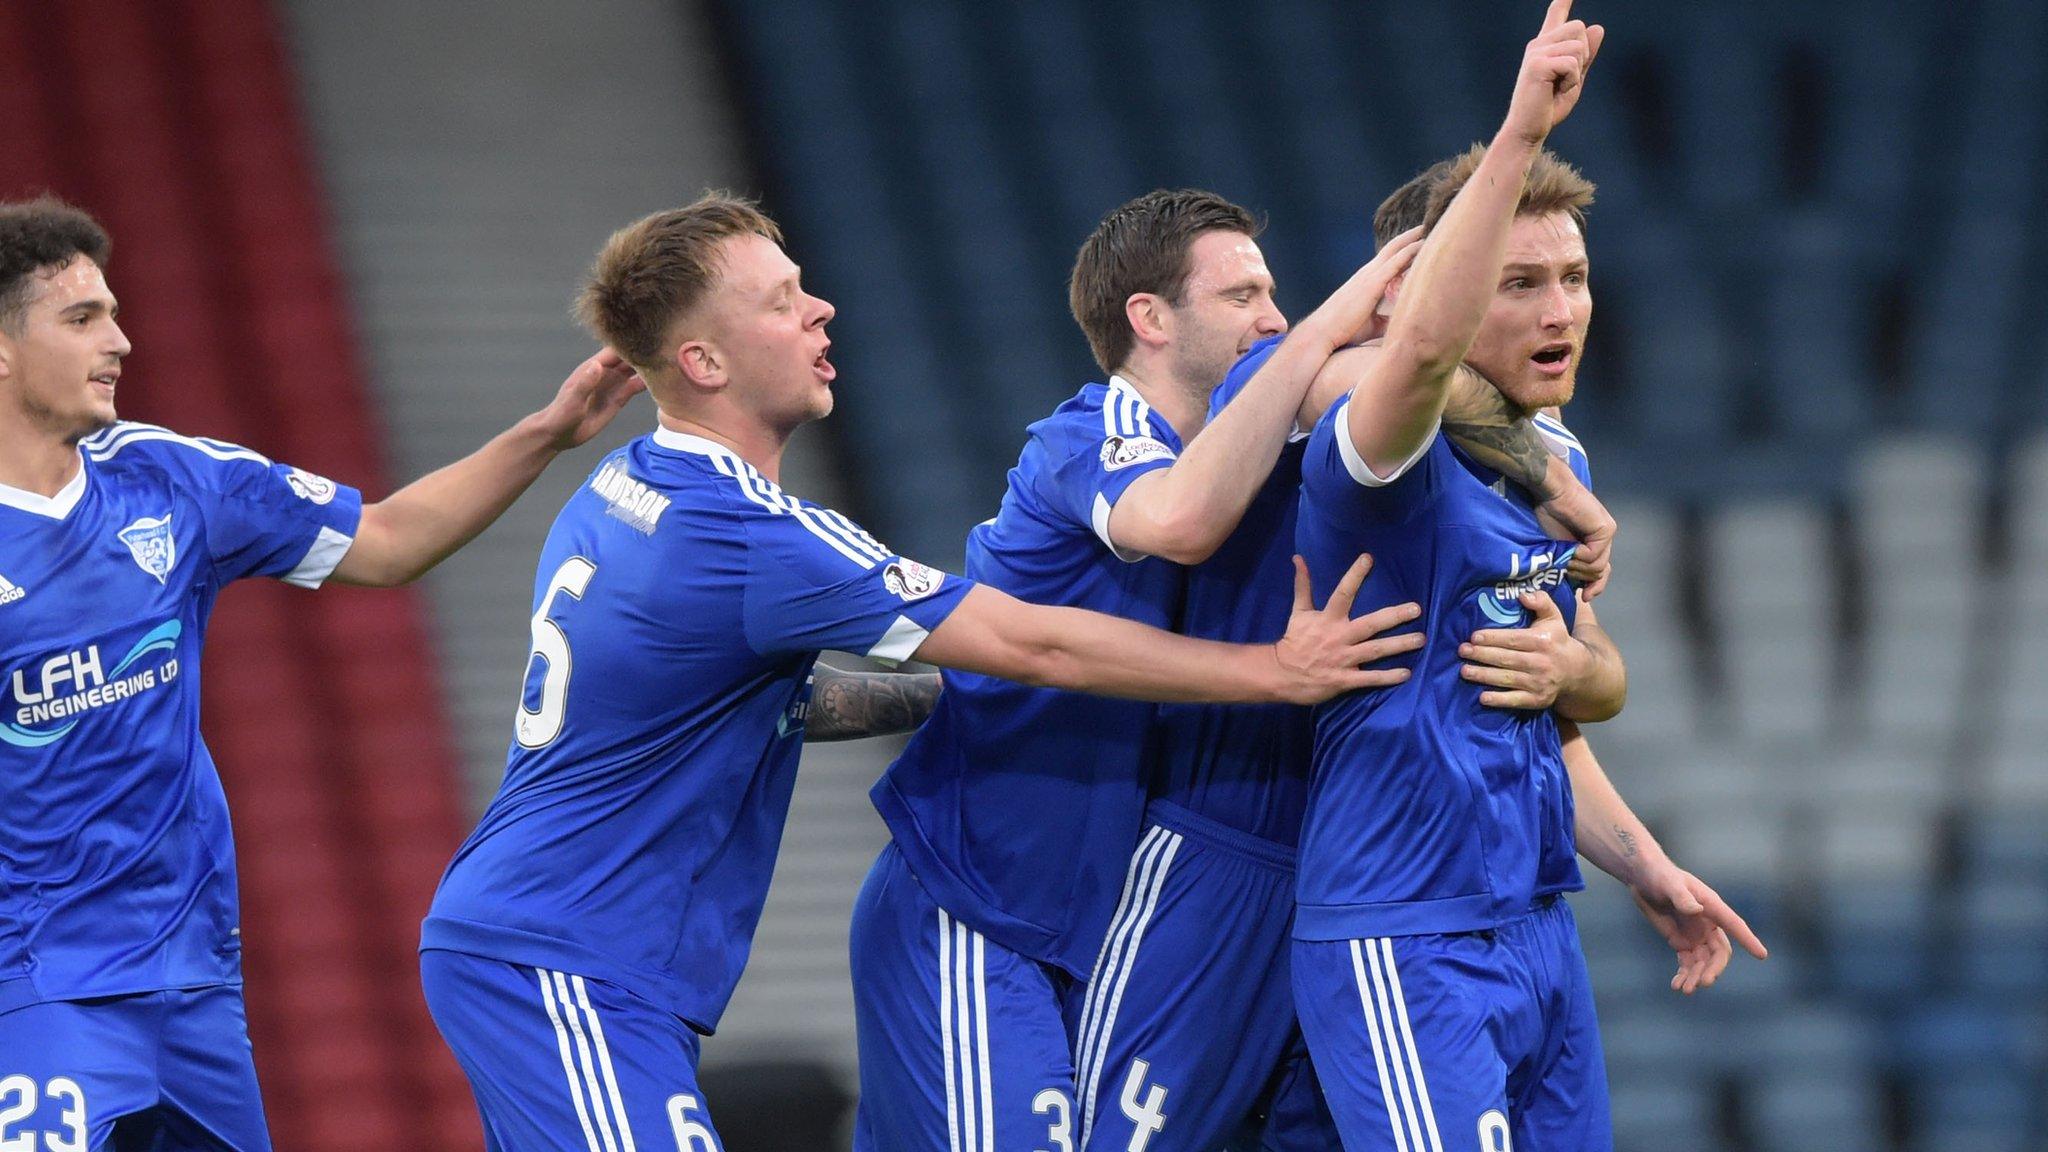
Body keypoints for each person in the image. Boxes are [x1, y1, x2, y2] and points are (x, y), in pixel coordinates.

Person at [416, 193, 1419, 1152]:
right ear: (702, 360)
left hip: (556, 942)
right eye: (780, 301)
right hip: (572, 953)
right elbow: (1036, 642)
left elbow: (764, 700)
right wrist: (1275, 670)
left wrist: (967, 694)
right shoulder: (758, 535)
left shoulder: (623, 482)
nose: (820, 307)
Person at [0, 196, 644, 1151]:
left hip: (194, 984)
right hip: (41, 989)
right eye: (83, 318)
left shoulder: (172, 479)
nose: (123, 342)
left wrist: (546, 435)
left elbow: (383, 542)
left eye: (117, 312)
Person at [1289, 6, 1758, 1148]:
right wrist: (1515, 134)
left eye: (1574, 277)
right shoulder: (1380, 450)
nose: (1560, 311)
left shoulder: (1558, 460)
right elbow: (1410, 362)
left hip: (1534, 923)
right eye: (1516, 283)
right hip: (1404, 935)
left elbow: (1552, 717)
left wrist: (1644, 862)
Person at [1069, 202, 1618, 1151]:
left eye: (1572, 279)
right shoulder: (1305, 392)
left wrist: (1578, 679)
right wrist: (1275, 669)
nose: (1274, 317)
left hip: (1408, 870)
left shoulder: (1536, 448)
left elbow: (1582, 694)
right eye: (1520, 281)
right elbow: (1178, 526)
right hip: (1236, 848)